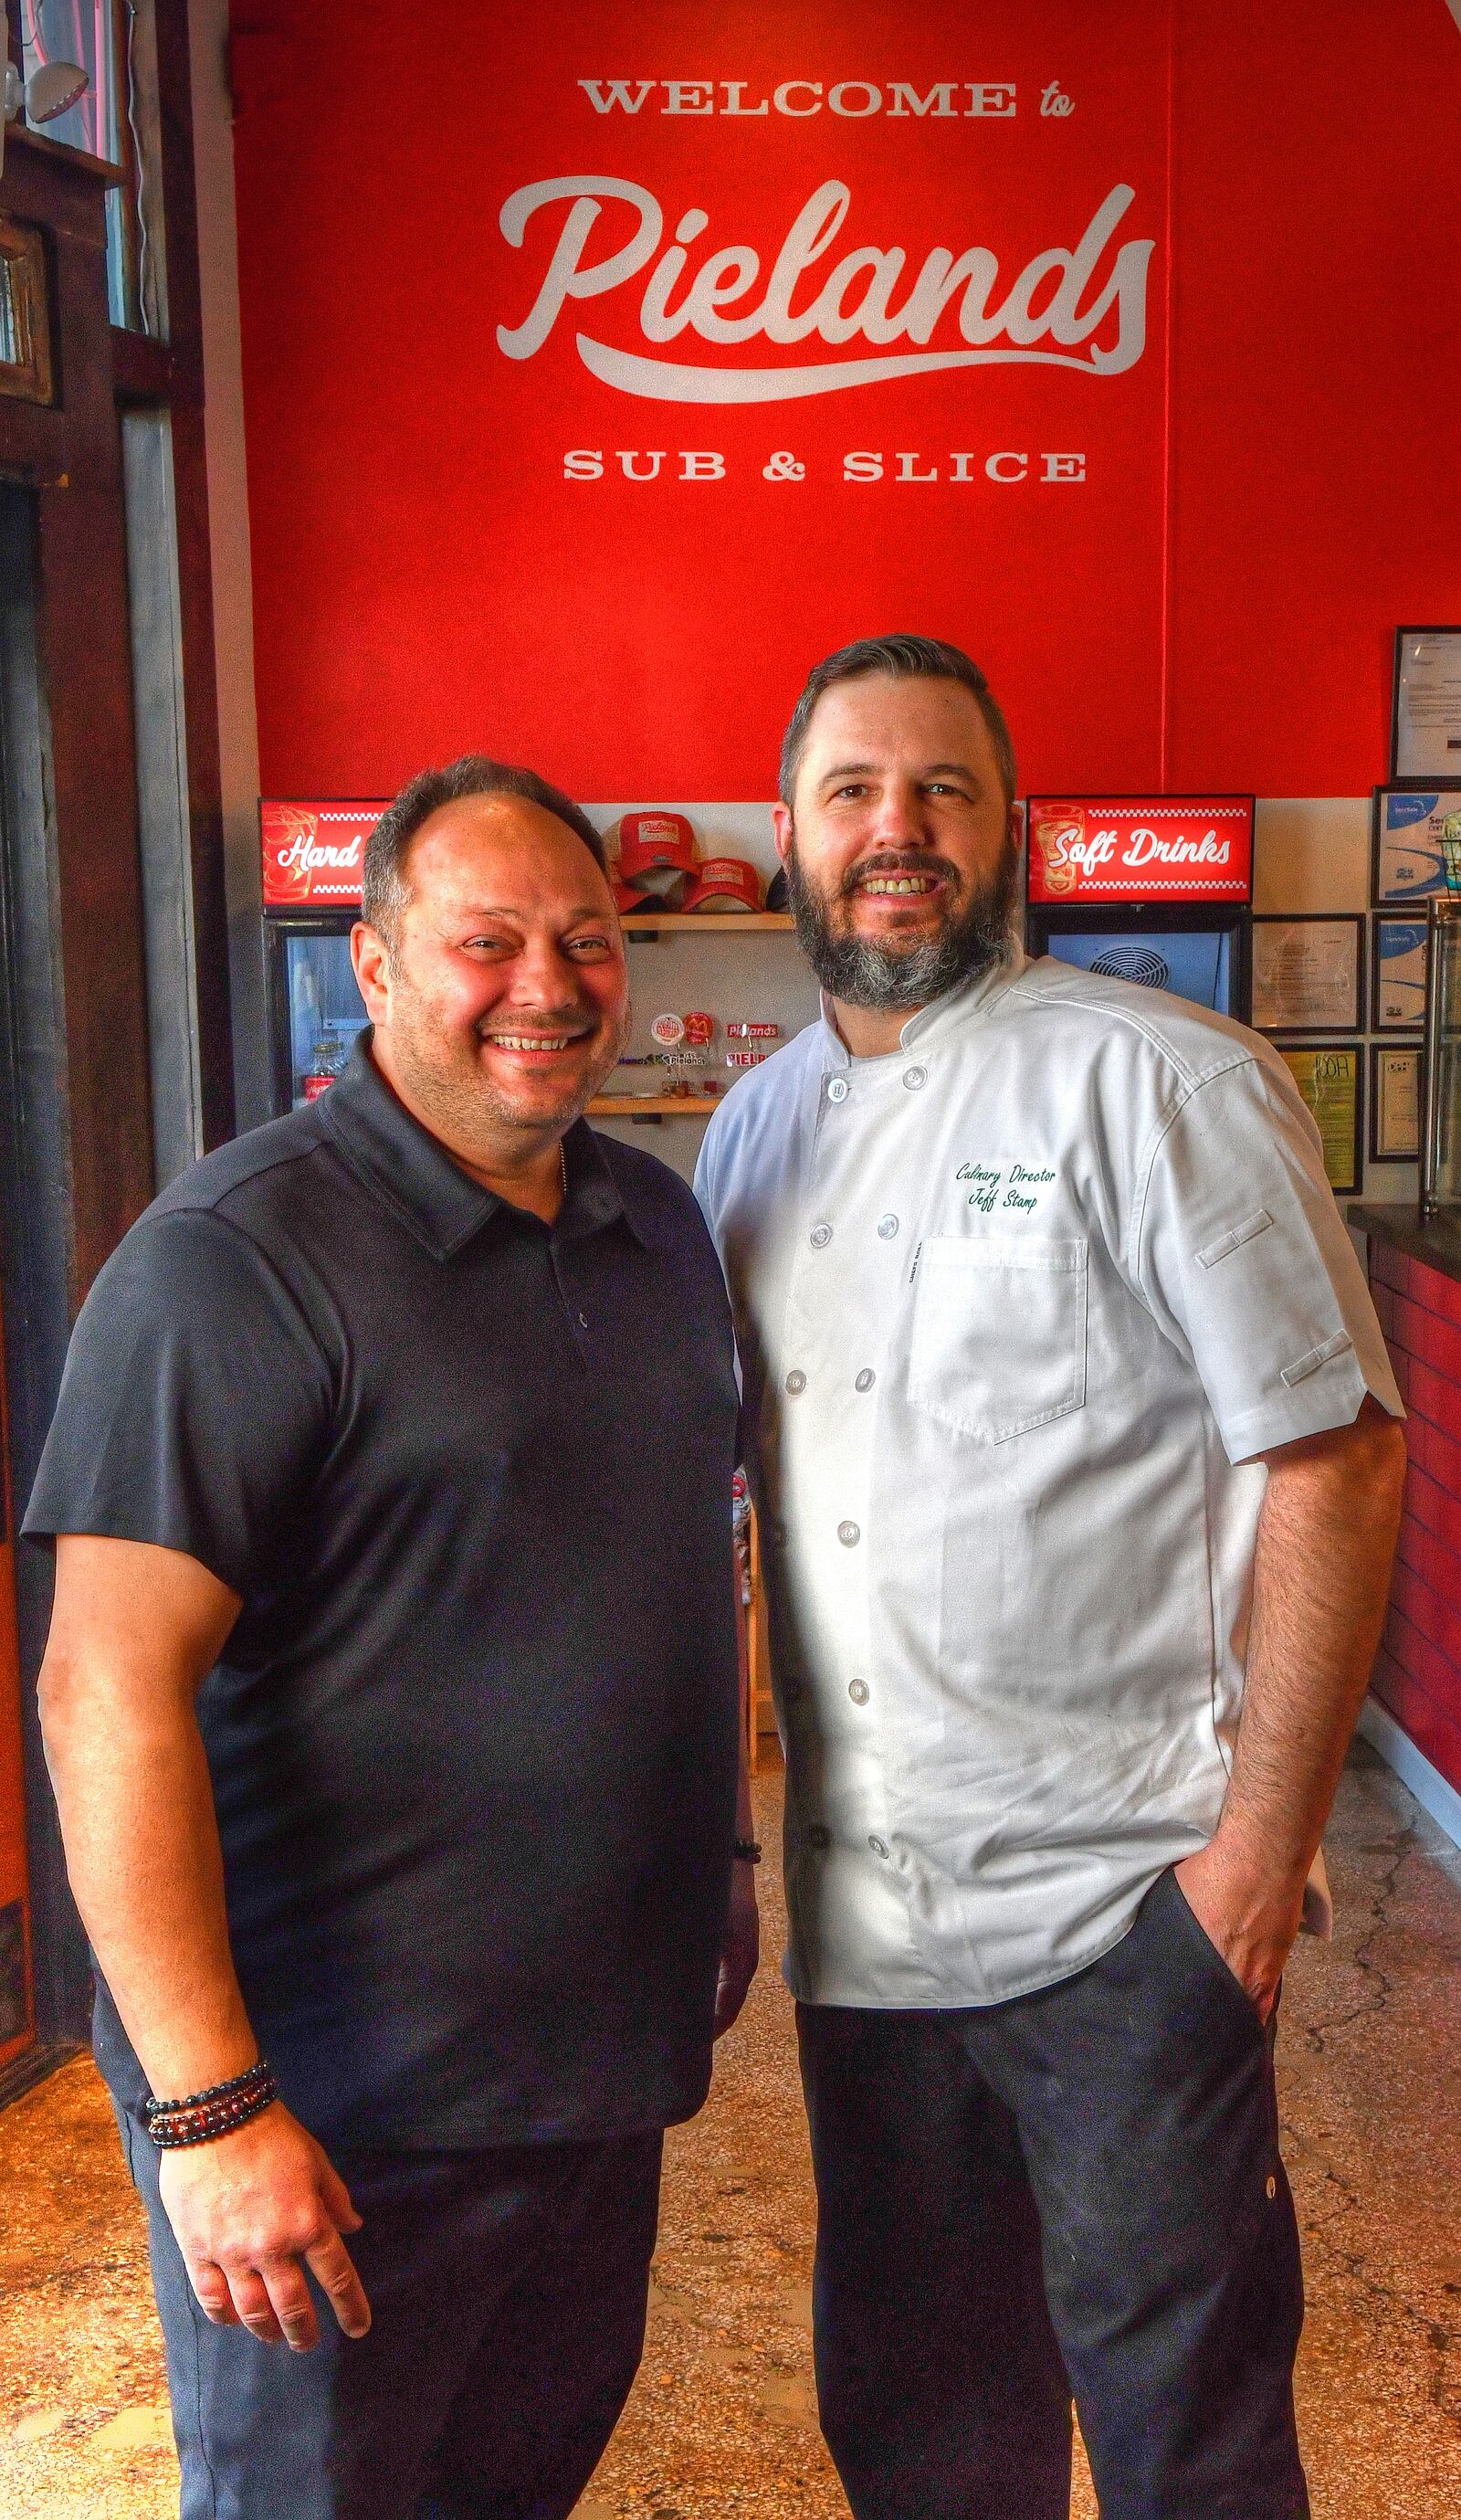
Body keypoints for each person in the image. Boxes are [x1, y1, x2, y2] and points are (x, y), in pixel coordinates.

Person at [694, 636, 1407, 2520]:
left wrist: (1249, 1871)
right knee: (923, 2437)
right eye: (851, 792)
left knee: (1187, 2445)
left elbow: (1333, 1458)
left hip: (1125, 1916)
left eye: (941, 791)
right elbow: (742, 1523)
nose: (894, 831)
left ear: (1014, 833)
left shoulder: (1160, 1080)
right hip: (869, 1948)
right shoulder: (748, 1133)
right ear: (784, 833)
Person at [28, 756, 759, 2520]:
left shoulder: (653, 1222)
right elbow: (100, 1687)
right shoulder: (233, 1259)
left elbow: (677, 1573)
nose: (548, 986)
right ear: (370, 965)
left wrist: (722, 1851)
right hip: (334, 2118)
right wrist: (210, 2116)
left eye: (587, 940)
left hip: (589, 2084)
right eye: (484, 940)